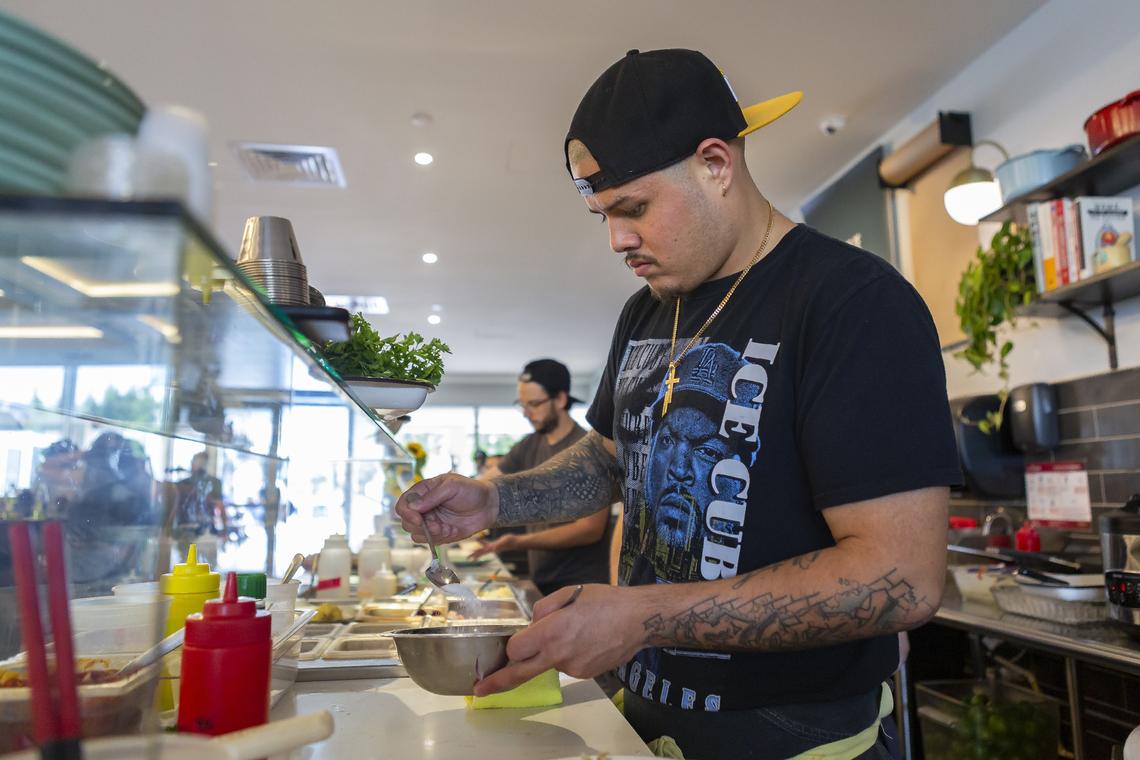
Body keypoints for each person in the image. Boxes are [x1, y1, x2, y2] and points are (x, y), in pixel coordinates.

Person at [397, 48, 960, 759]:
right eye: (602, 214)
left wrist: (644, 617)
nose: (616, 240)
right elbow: (610, 460)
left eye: (633, 209)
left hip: (796, 734)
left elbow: (903, 579)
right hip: (651, 713)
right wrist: (495, 500)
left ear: (716, 165)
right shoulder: (646, 311)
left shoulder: (852, 302)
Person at [471, 359, 613, 596]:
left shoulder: (589, 449)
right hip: (543, 579)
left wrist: (519, 542)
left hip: (580, 586)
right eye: (522, 405)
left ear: (560, 399)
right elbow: (485, 483)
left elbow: (590, 529)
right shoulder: (530, 445)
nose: (527, 414)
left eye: (534, 404)